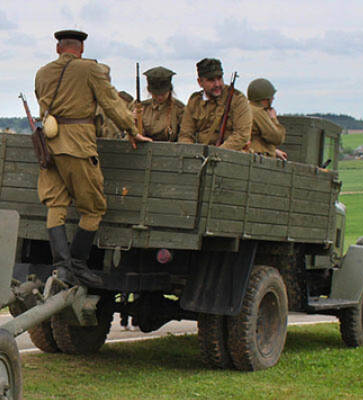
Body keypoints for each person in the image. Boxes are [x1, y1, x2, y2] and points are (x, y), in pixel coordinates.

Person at [35, 29, 151, 287]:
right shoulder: (90, 70)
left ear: (58, 48)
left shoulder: (42, 72)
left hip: (49, 147)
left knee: (55, 205)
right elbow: (111, 104)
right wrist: (132, 131)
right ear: (81, 49)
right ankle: (77, 264)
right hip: (78, 145)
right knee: (94, 208)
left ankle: (62, 268)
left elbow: (42, 106)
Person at [178, 58, 251, 151]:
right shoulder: (195, 101)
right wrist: (192, 153)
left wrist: (217, 153)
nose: (217, 84)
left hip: (229, 156)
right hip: (198, 155)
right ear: (200, 82)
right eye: (211, 80)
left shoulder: (237, 99)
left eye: (219, 78)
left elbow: (242, 135)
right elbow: (185, 135)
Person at [134, 66, 185, 142]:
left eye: (163, 94)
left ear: (169, 90)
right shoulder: (141, 107)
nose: (159, 97)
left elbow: (185, 135)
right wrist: (134, 123)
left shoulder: (179, 109)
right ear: (149, 91)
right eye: (156, 94)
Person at [246, 78, 288, 160]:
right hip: (258, 160)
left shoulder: (248, 108)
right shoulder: (258, 112)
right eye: (271, 96)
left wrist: (275, 151)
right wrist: (273, 119)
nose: (273, 99)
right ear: (265, 99)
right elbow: (277, 137)